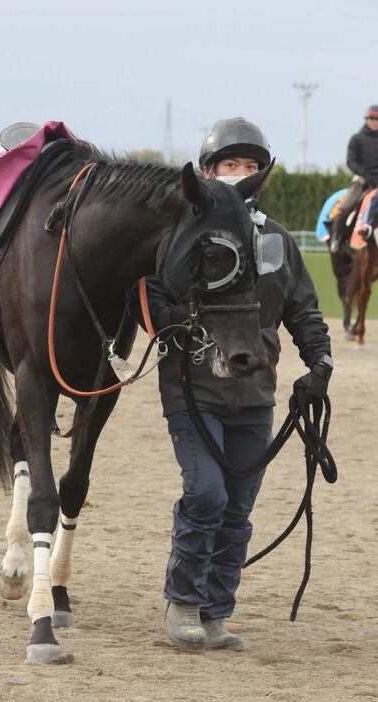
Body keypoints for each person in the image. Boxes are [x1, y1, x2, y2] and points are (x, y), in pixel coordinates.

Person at [141, 117, 333, 652]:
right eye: (231, 165)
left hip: (256, 393)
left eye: (251, 167)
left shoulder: (274, 240)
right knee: (205, 494)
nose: (241, 174)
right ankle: (182, 603)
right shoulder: (181, 238)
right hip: (193, 389)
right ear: (207, 173)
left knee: (237, 508)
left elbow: (304, 309)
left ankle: (215, 610)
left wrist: (320, 365)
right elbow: (151, 302)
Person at [330, 105, 378, 252]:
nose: (376, 121)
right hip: (362, 180)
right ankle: (336, 238)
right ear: (367, 119)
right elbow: (351, 161)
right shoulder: (357, 139)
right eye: (373, 118)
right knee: (345, 207)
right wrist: (366, 175)